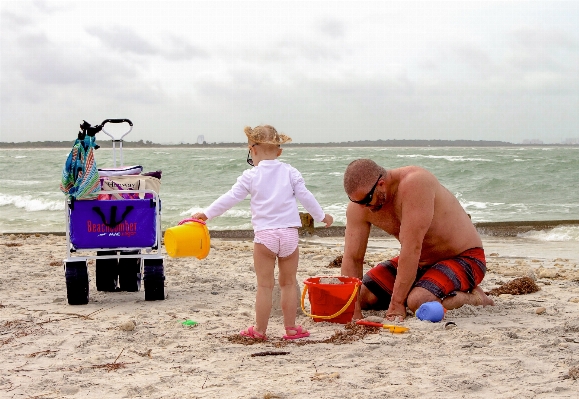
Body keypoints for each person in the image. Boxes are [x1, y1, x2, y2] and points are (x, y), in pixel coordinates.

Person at [192, 125, 333, 340]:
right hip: (288, 236)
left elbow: (230, 198)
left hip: (265, 236)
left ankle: (259, 330)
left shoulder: (250, 176)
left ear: (253, 150)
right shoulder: (290, 172)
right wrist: (322, 216)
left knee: (265, 286)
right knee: (288, 284)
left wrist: (206, 214)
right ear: (279, 151)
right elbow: (306, 197)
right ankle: (291, 328)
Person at [341, 159, 494, 322]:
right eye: (357, 202)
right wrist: (354, 310)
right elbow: (352, 258)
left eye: (366, 199)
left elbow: (412, 247)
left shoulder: (415, 183)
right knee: (364, 296)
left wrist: (397, 304)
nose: (363, 206)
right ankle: (425, 286)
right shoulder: (360, 206)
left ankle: (477, 298)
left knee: (418, 301)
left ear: (381, 184)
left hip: (465, 258)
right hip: (421, 263)